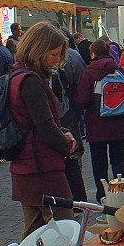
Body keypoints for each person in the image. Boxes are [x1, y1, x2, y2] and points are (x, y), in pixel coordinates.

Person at [8, 23, 75, 240]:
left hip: (27, 167)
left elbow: (37, 122)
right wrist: (67, 143)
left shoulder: (18, 75)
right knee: (66, 230)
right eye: (54, 54)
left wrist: (61, 131)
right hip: (41, 168)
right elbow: (45, 127)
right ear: (38, 49)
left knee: (33, 232)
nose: (57, 60)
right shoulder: (31, 81)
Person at [76, 39, 124, 202]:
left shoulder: (89, 72)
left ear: (92, 53)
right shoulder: (120, 70)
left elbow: (82, 100)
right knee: (119, 161)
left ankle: (103, 196)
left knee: (99, 164)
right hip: (120, 125)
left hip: (96, 125)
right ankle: (122, 195)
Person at [50, 33, 88, 202]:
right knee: (73, 151)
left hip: (65, 110)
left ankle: (71, 191)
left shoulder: (70, 55)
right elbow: (82, 79)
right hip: (67, 110)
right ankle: (74, 191)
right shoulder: (73, 55)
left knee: (71, 150)